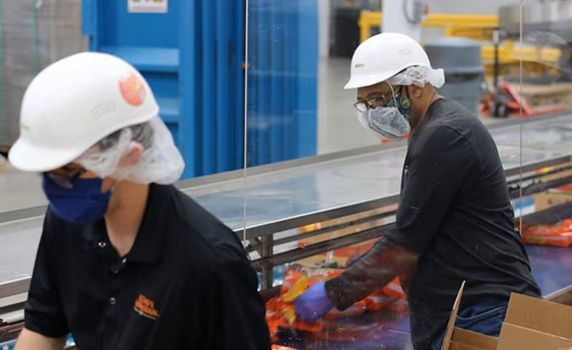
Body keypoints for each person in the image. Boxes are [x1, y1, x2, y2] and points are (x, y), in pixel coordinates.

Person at [294, 33, 540, 349]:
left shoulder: (445, 135)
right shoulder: (432, 129)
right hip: (467, 309)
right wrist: (364, 266)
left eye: (379, 100)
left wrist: (334, 292)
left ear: (415, 86)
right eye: (366, 103)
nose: (372, 112)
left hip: (485, 314)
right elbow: (421, 228)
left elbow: (406, 243)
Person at [9, 52, 270, 350]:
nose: (56, 188)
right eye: (49, 173)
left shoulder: (209, 262)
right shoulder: (66, 222)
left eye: (69, 172)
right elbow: (43, 329)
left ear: (127, 156)